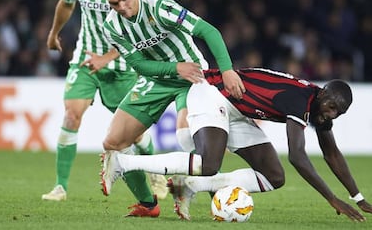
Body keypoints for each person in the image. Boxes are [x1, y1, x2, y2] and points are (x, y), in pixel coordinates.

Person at [102, 67, 372, 222]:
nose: (331, 115)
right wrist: (331, 198)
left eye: (339, 113)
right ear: (323, 93)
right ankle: (122, 162)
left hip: (237, 110)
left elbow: (332, 153)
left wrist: (357, 197)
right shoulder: (300, 99)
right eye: (331, 107)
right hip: (213, 94)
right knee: (209, 164)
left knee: (273, 177)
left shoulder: (319, 108)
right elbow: (298, 157)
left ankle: (188, 186)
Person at [42, 0, 169, 214]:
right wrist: (53, 33)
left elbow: (136, 31)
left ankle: (157, 174)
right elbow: (66, 3)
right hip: (86, 61)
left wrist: (107, 58)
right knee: (72, 115)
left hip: (123, 66)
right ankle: (60, 186)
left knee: (135, 134)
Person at [97, 0, 245, 207]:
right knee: (112, 142)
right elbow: (139, 65)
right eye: (114, 4)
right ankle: (147, 205)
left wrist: (227, 69)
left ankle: (216, 199)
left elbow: (208, 30)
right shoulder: (112, 27)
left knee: (186, 136)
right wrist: (175, 68)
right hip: (156, 79)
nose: (122, 7)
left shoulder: (160, 8)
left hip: (193, 76)